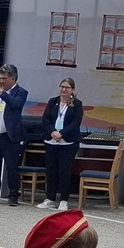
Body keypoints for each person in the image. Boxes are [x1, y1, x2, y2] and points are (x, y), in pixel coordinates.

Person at [0, 64, 29, 206]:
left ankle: (13, 196)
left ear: (13, 78)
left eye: (4, 78)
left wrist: (2, 92)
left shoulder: (21, 92)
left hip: (10, 136)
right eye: (0, 78)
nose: (1, 81)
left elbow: (15, 104)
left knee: (11, 167)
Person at [42, 78, 85, 212]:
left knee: (64, 171)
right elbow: (45, 119)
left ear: (72, 90)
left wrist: (61, 133)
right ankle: (50, 198)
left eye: (67, 87)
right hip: (51, 140)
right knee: (51, 170)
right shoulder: (52, 101)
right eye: (62, 86)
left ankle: (63, 200)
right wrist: (53, 132)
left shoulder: (76, 104)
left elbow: (75, 122)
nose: (64, 89)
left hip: (68, 142)